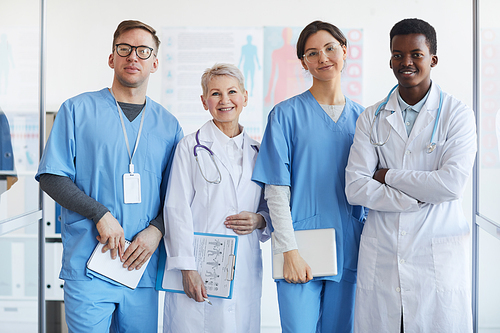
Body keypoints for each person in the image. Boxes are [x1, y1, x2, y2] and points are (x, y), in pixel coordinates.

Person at [35, 20, 183, 332]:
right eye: (124, 49)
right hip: (90, 264)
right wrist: (99, 213)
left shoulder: (169, 126)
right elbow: (52, 176)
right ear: (111, 58)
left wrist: (157, 230)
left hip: (140, 267)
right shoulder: (77, 110)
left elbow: (178, 194)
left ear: (155, 63)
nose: (133, 57)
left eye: (143, 51)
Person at [345, 18, 476, 333]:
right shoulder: (371, 117)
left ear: (433, 59)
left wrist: (388, 174)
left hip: (436, 254)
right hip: (385, 251)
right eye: (397, 54)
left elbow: (451, 185)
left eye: (416, 54)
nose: (406, 62)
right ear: (390, 59)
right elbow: (355, 188)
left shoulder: (457, 115)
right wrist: (415, 197)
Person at [252, 21, 367, 333]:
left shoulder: (364, 118)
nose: (323, 58)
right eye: (312, 53)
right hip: (299, 247)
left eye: (330, 48)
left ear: (344, 50)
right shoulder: (285, 115)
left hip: (350, 246)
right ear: (303, 61)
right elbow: (276, 191)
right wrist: (287, 250)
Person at [162, 63, 271, 333]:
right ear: (204, 101)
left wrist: (260, 220)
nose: (225, 100)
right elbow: (176, 210)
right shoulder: (189, 147)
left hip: (243, 263)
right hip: (199, 264)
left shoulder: (260, 151)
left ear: (245, 97)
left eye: (232, 92)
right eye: (215, 93)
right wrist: (187, 269)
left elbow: (269, 206)